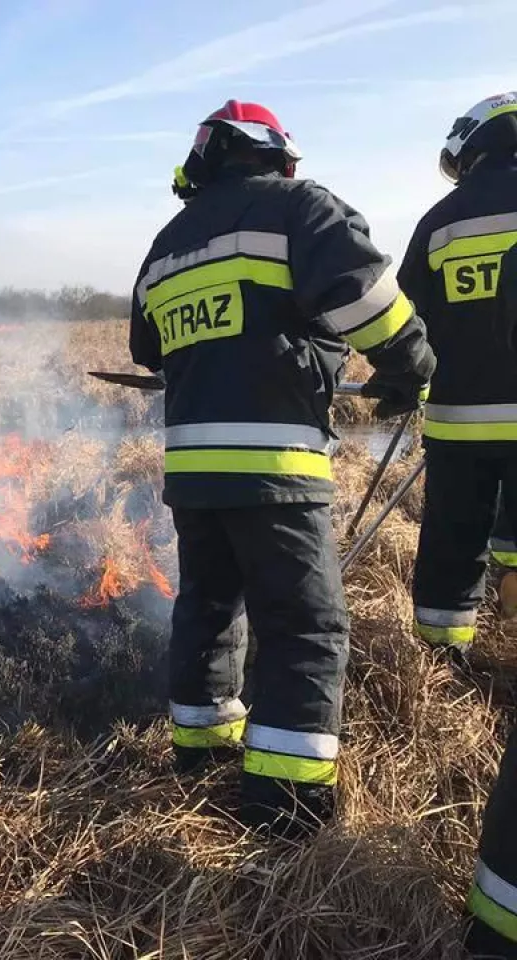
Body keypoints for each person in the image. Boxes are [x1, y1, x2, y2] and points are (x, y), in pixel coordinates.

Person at [130, 100, 437, 837]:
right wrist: (412, 365)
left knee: (208, 606)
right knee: (305, 627)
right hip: (275, 467)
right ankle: (285, 811)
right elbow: (369, 301)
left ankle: (201, 754)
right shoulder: (300, 209)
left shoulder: (167, 244)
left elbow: (147, 347)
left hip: (194, 475)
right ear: (279, 155)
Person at [419, 93, 517, 958]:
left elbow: (406, 320)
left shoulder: (443, 219)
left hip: (456, 421)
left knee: (450, 544)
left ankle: (440, 661)